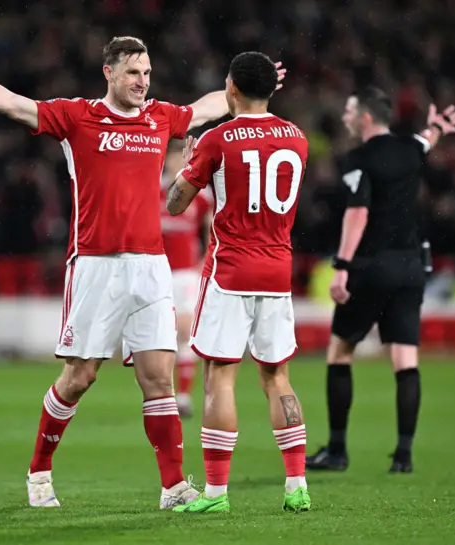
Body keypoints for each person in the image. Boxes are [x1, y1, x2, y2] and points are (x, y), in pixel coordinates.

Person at [0, 35, 286, 509]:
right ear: (109, 72)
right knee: (80, 376)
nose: (142, 82)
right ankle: (39, 470)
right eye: (133, 73)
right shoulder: (76, 116)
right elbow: (11, 102)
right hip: (95, 265)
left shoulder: (159, 118)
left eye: (147, 73)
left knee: (159, 380)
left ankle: (172, 487)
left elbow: (208, 106)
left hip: (150, 268)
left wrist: (256, 84)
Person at [164, 51, 311, 514]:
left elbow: (174, 205)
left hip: (230, 269)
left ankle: (215, 494)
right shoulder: (298, 138)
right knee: (278, 378)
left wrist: (188, 167)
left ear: (230, 87)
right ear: (273, 89)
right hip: (277, 269)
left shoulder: (217, 138)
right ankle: (297, 486)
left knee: (220, 380)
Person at [306, 87, 455, 473]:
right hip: (411, 267)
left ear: (366, 118)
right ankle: (404, 455)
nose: (344, 115)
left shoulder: (358, 158)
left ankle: (338, 450)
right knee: (405, 360)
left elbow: (357, 212)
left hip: (371, 266)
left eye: (349, 109)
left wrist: (342, 265)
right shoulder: (410, 147)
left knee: (340, 352)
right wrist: (437, 128)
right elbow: (426, 141)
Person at [160, 142, 212, 417]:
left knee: (184, 332)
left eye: (180, 160)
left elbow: (213, 228)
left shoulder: (199, 194)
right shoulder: (153, 190)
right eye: (171, 160)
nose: (175, 164)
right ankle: (164, 396)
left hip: (185, 273)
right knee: (160, 336)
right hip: (156, 272)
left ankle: (182, 397)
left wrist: (204, 262)